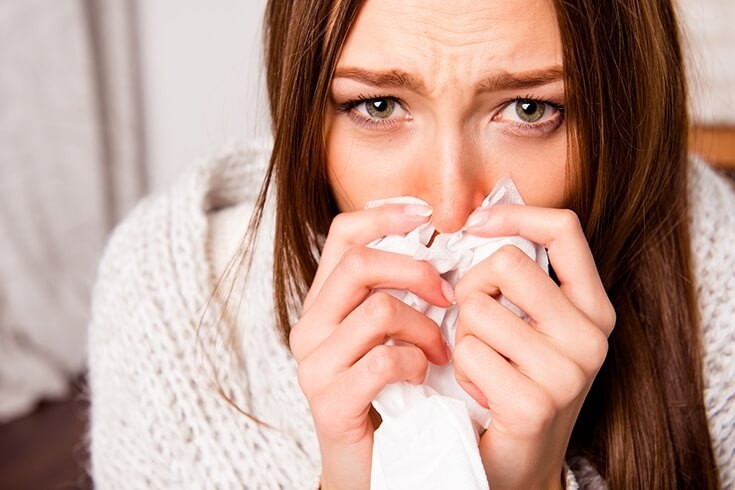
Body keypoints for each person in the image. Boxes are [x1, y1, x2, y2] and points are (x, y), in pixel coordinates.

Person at [87, 0, 735, 488]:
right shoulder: (172, 298)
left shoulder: (711, 276)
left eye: (529, 110)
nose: (452, 206)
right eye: (376, 106)